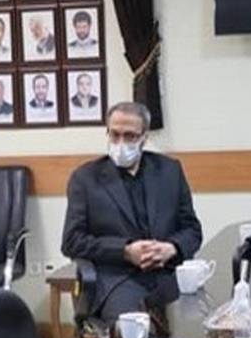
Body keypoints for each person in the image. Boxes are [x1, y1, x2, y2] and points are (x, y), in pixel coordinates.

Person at [62, 102, 203, 321]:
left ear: (144, 137)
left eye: (130, 136)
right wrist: (125, 251)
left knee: (196, 323)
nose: (121, 143)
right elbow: (72, 241)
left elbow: (192, 230)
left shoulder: (169, 171)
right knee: (133, 330)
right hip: (118, 278)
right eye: (115, 134)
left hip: (167, 272)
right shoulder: (85, 179)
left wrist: (172, 248)